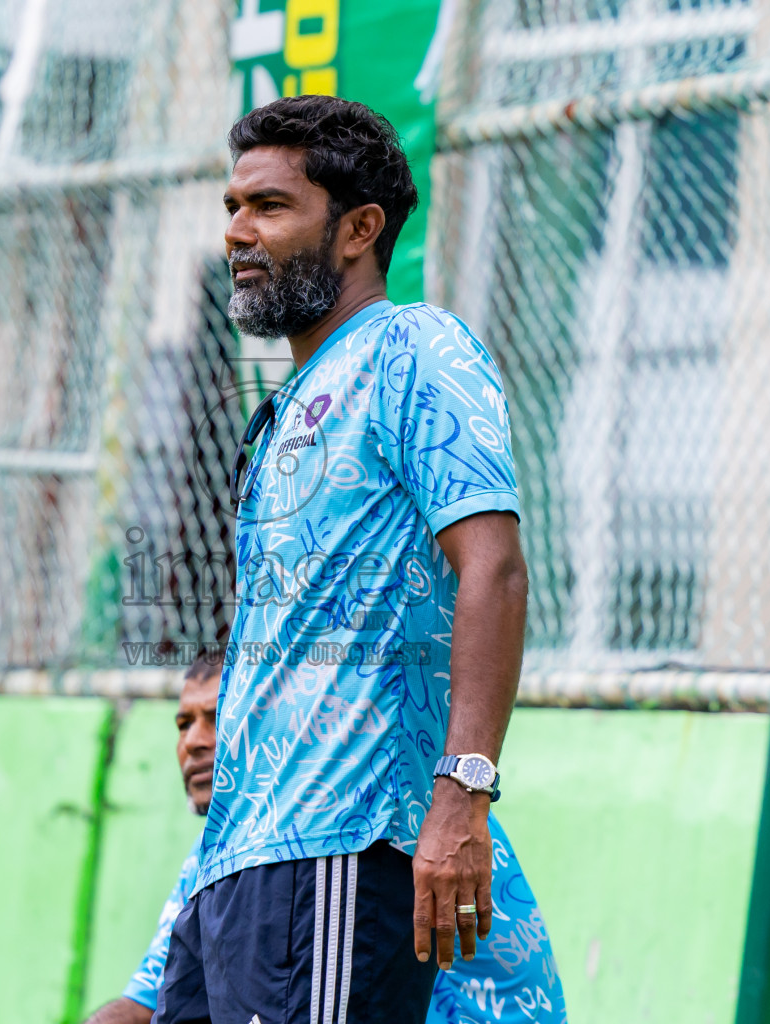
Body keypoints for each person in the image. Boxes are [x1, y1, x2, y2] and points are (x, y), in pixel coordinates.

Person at [157, 96, 532, 1023]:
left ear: (360, 228)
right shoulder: (287, 403)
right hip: (239, 861)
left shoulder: (414, 348)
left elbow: (493, 567)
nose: (237, 231)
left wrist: (464, 791)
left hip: (339, 849)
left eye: (270, 206)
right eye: (232, 207)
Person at [84, 656, 567, 1024]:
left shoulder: (369, 818)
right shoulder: (233, 843)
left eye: (216, 718)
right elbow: (143, 1004)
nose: (194, 741)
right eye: (184, 723)